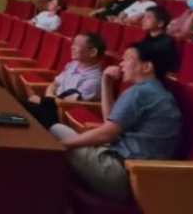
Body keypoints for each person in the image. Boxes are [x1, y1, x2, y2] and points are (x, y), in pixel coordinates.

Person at [50, 40, 182, 203]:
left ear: (146, 66)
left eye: (127, 59)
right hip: (133, 174)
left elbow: (106, 134)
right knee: (59, 130)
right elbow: (109, 122)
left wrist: (61, 145)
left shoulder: (139, 93)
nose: (121, 64)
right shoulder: (153, 90)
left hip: (122, 173)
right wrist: (106, 82)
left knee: (56, 134)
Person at [23, 32, 106, 128]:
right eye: (73, 44)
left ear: (93, 52)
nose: (72, 47)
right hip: (53, 104)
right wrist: (47, 99)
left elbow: (68, 104)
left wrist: (44, 100)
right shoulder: (73, 64)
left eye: (77, 45)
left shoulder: (95, 79)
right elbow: (55, 84)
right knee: (22, 106)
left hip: (65, 116)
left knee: (24, 108)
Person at [140, 7, 179, 73]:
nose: (143, 20)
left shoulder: (166, 42)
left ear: (160, 23)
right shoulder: (146, 39)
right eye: (144, 17)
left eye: (148, 17)